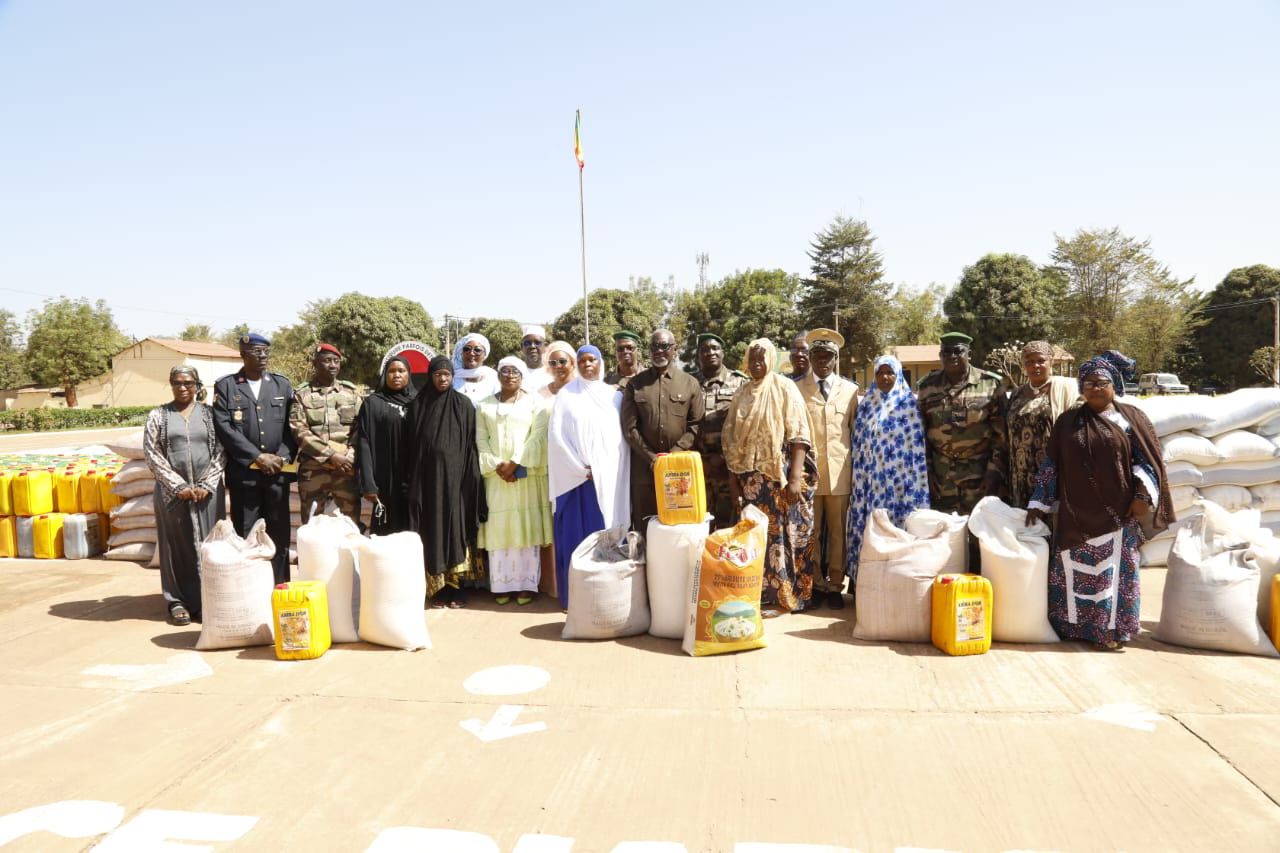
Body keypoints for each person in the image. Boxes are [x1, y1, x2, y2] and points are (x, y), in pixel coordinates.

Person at [1026, 351, 1173, 650]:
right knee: (1072, 571)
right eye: (1089, 382)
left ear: (1114, 385)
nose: (1095, 387)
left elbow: (1148, 460)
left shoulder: (1130, 419)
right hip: (1074, 512)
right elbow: (1052, 463)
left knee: (1113, 574)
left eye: (1101, 381)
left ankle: (1110, 633)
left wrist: (1143, 496)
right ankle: (1073, 628)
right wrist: (1038, 503)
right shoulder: (1068, 421)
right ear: (1081, 387)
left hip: (1118, 513)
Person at [723, 338, 817, 615]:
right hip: (751, 482)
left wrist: (796, 477)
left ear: (772, 360)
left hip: (781, 479)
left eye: (762, 359)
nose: (757, 364)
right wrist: (733, 482)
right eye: (752, 359)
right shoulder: (742, 393)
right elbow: (730, 439)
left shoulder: (784, 388)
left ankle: (787, 598)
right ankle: (762, 595)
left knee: (785, 539)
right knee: (757, 538)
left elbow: (799, 434)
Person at [547, 345, 631, 608]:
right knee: (575, 537)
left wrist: (603, 468)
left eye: (592, 360)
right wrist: (581, 469)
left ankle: (608, 598)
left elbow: (621, 441)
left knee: (607, 534)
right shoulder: (565, 397)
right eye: (582, 361)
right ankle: (575, 599)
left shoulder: (614, 397)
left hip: (608, 480)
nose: (587, 365)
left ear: (601, 363)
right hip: (575, 481)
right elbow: (557, 438)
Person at [144, 366, 226, 625]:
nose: (182, 388)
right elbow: (151, 452)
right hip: (173, 494)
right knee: (175, 546)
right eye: (177, 383)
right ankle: (177, 600)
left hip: (207, 493)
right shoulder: (159, 415)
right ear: (170, 384)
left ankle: (207, 600)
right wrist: (177, 485)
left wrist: (207, 483)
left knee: (211, 545)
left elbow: (221, 450)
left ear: (197, 385)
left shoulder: (210, 415)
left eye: (188, 383)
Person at [212, 332, 296, 584]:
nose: (262, 357)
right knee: (247, 532)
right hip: (245, 475)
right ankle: (251, 589)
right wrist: (258, 457)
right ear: (242, 354)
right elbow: (224, 427)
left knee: (279, 533)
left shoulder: (281, 384)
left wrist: (281, 457)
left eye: (265, 352)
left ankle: (280, 585)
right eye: (256, 352)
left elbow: (293, 427)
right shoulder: (226, 386)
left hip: (278, 473)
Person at [405, 355, 488, 608]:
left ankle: (457, 588)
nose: (442, 379)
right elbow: (411, 447)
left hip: (457, 484)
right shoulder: (418, 405)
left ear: (453, 377)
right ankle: (437, 589)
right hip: (427, 484)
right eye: (438, 374)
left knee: (456, 532)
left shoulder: (463, 405)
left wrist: (470, 480)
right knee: (432, 532)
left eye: (447, 375)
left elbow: (471, 445)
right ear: (431, 376)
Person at [844, 355, 931, 584]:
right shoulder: (867, 406)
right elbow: (859, 445)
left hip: (900, 485)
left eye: (889, 372)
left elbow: (916, 449)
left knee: (897, 530)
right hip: (870, 485)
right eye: (880, 372)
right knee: (871, 530)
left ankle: (897, 581)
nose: (885, 377)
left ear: (898, 374)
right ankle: (865, 581)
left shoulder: (908, 404)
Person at [476, 357, 553, 605]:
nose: (510, 375)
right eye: (505, 371)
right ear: (498, 375)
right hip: (496, 477)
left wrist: (516, 462)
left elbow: (537, 437)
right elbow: (480, 439)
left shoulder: (536, 403)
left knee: (525, 525)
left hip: (526, 475)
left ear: (522, 376)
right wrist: (498, 465)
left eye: (515, 371)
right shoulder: (483, 405)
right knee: (501, 527)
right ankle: (501, 585)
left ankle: (527, 585)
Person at [796, 328, 859, 608]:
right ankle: (815, 584)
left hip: (840, 472)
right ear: (809, 357)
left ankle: (835, 585)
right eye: (817, 355)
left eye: (828, 356)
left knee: (837, 531)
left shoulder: (851, 390)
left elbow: (855, 432)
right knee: (811, 530)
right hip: (810, 473)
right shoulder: (797, 388)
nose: (823, 361)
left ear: (836, 359)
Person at [621, 329, 704, 532]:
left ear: (674, 349)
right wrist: (653, 459)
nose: (659, 351)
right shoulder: (635, 384)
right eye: (654, 347)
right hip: (644, 470)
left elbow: (696, 425)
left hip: (679, 469)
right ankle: (647, 564)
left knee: (679, 526)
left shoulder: (690, 383)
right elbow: (629, 428)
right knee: (645, 527)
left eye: (664, 346)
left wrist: (672, 456)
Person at [917, 331, 1008, 514]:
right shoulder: (927, 387)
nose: (952, 356)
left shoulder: (990, 384)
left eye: (958, 351)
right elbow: (921, 435)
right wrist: (926, 472)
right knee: (945, 536)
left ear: (969, 354)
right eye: (946, 352)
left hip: (980, 476)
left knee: (981, 534)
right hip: (942, 478)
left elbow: (1001, 435)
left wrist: (994, 472)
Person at [289, 343, 361, 524]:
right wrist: (331, 455)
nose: (332, 365)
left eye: (336, 361)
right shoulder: (302, 394)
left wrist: (351, 454)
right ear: (315, 363)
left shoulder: (351, 393)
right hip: (314, 470)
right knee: (312, 524)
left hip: (346, 468)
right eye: (327, 361)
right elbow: (299, 430)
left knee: (350, 523)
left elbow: (362, 428)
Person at [1006, 340, 1080, 507]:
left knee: (1052, 525)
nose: (1035, 366)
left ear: (1051, 362)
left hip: (1050, 471)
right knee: (1024, 527)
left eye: (1041, 360)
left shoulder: (1067, 389)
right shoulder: (1016, 394)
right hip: (1019, 474)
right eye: (1030, 362)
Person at [355, 353, 416, 534]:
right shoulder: (372, 403)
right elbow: (364, 442)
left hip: (412, 480)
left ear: (408, 374)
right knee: (385, 531)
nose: (396, 375)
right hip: (384, 480)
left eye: (401, 371)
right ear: (385, 375)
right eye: (392, 371)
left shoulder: (418, 402)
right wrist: (368, 483)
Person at [692, 332, 747, 528]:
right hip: (698, 466)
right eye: (705, 350)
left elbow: (744, 426)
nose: (710, 353)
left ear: (723, 353)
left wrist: (725, 458)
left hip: (728, 468)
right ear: (698, 356)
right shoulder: (689, 383)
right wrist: (702, 460)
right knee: (698, 523)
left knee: (728, 525)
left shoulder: (739, 382)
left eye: (715, 348)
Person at [452, 332, 500, 405]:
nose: (471, 353)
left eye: (477, 350)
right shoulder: (452, 379)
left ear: (485, 354)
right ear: (461, 353)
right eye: (467, 349)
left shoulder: (494, 378)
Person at [519, 325, 551, 394]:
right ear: (522, 347)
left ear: (545, 346)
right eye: (527, 343)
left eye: (537, 343)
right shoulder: (515, 372)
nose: (532, 346)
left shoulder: (552, 373)